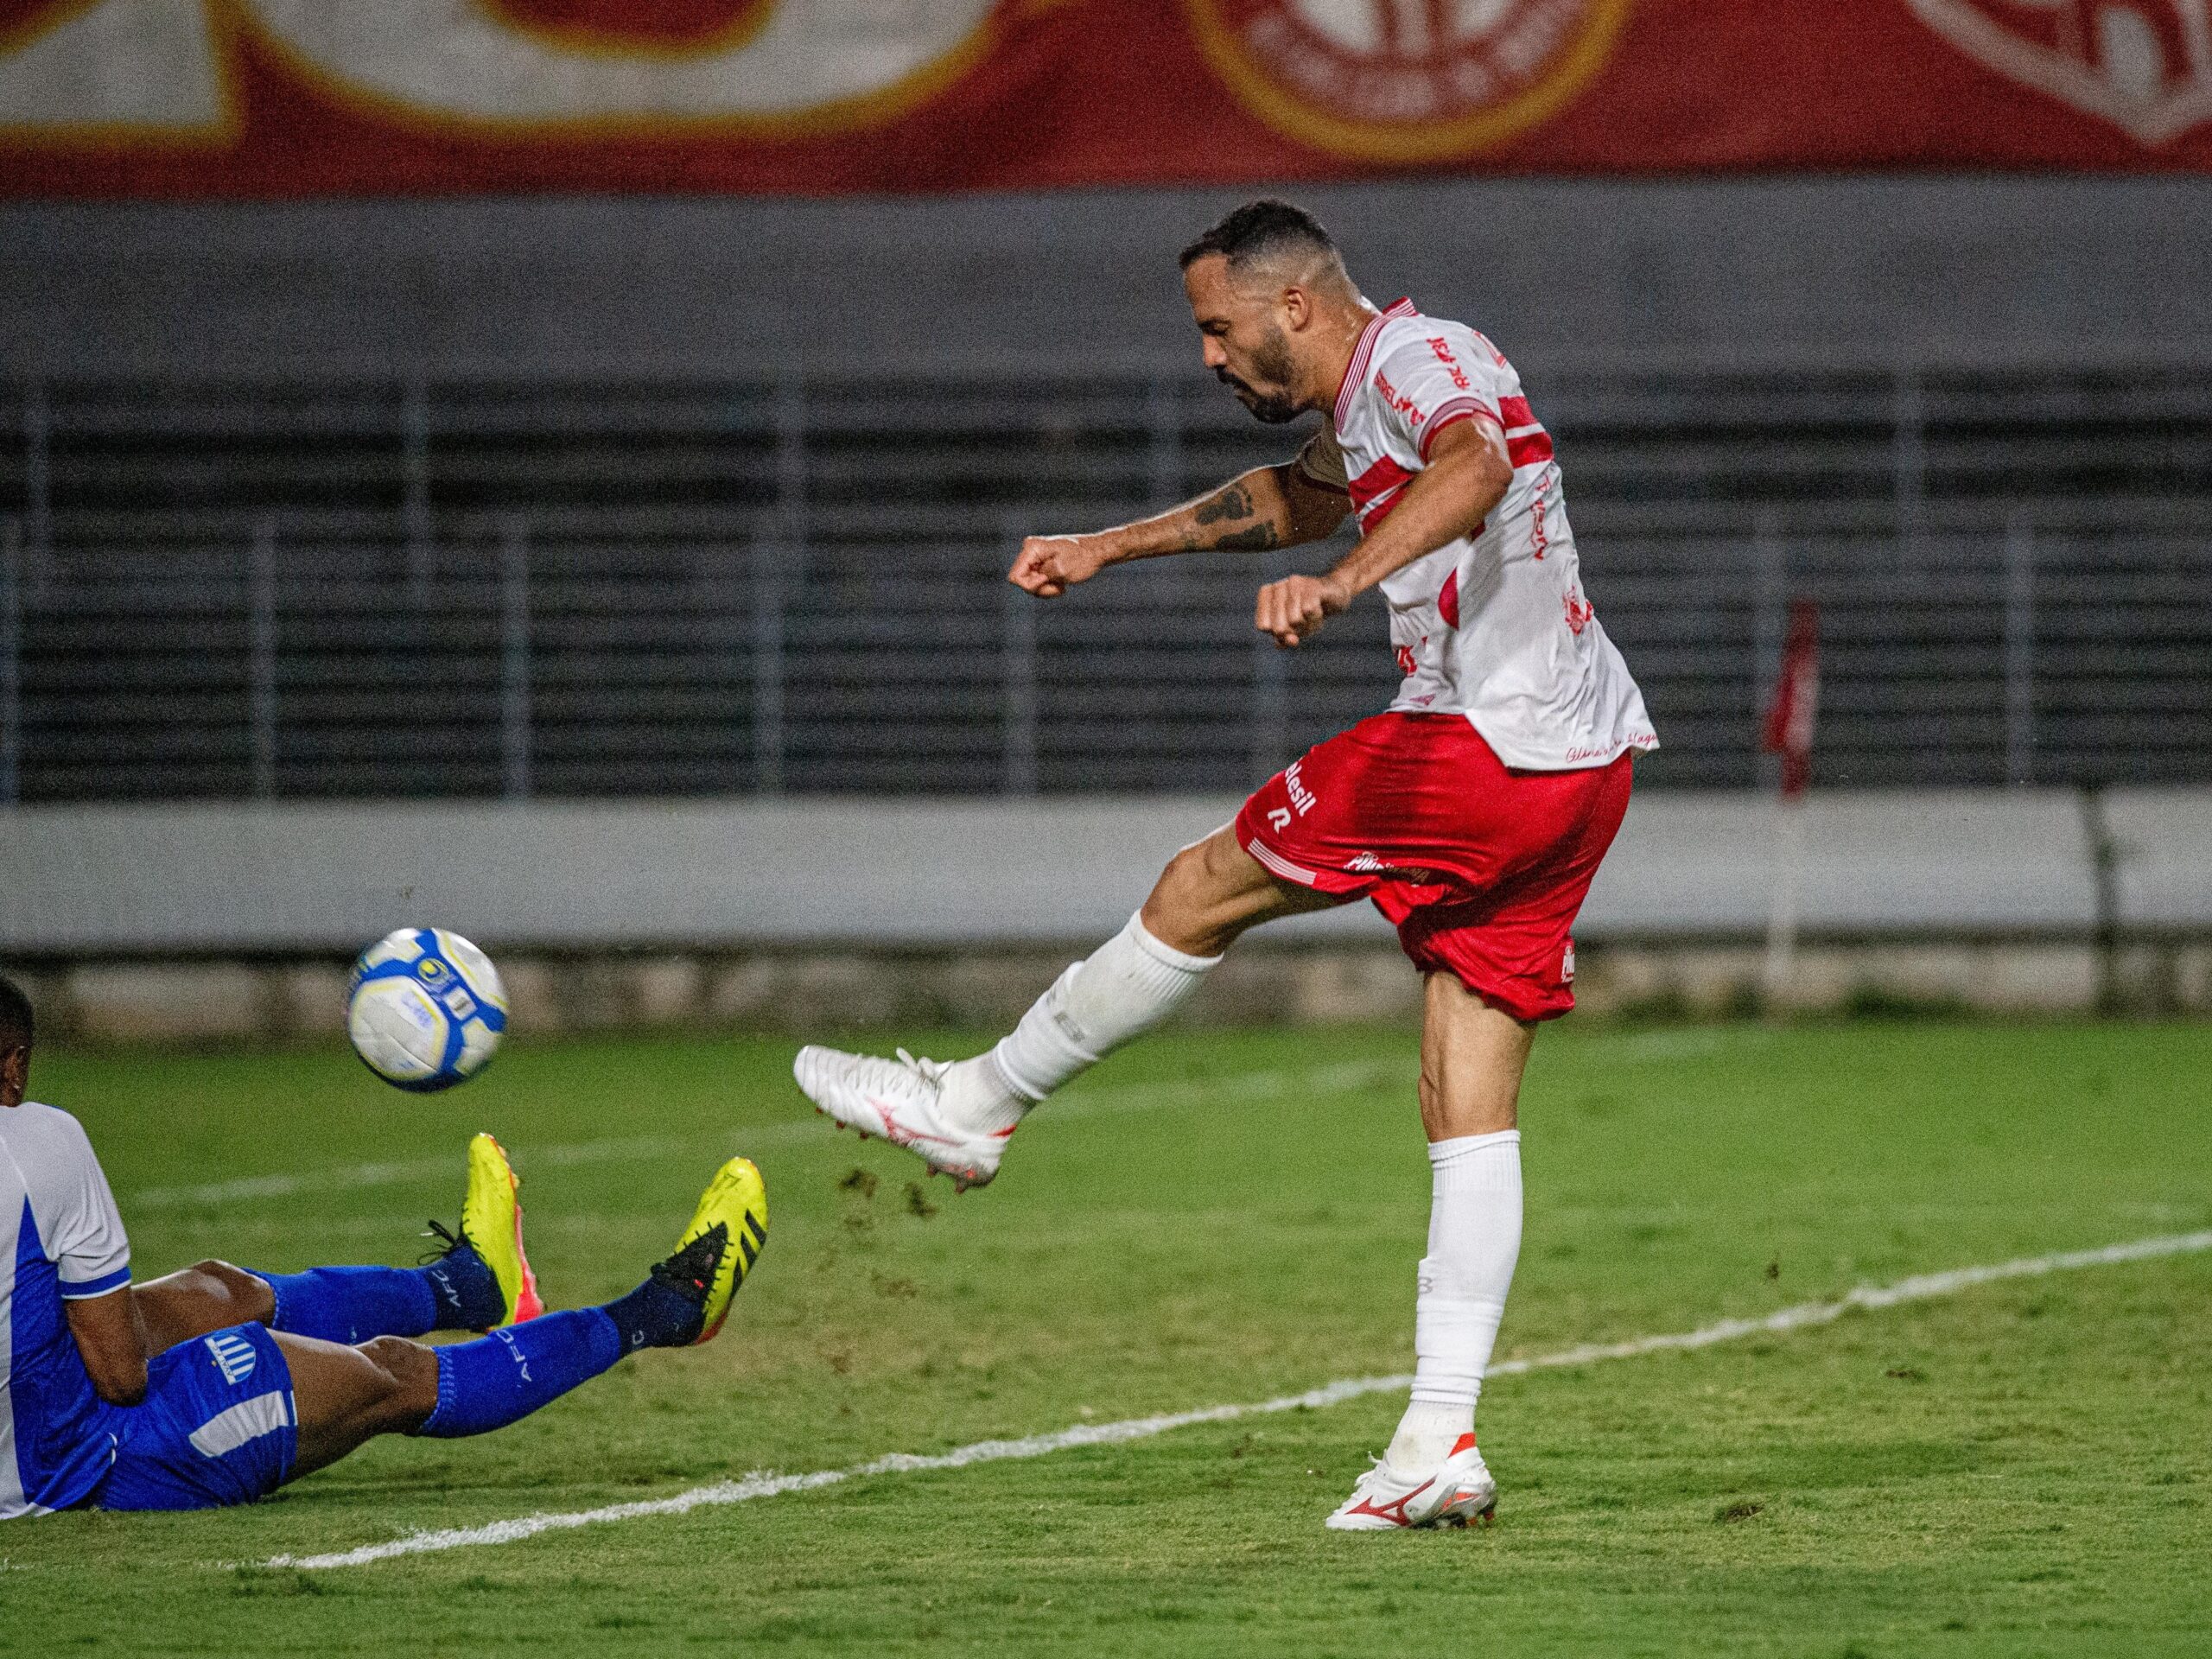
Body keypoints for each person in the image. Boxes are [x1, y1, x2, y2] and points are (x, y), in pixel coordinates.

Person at [794, 199, 1656, 1531]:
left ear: (1292, 306)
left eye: (1216, 325)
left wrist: (1350, 582)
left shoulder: (1423, 365)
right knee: (1466, 1087)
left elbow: (1474, 469)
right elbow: (1290, 498)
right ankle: (1441, 1440)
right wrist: (1107, 547)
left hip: (1485, 744)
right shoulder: (1378, 389)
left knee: (1207, 883)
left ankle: (979, 1104)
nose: (1205, 354)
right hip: (1582, 762)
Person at [0, 973, 767, 1517]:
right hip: (85, 1464)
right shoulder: (41, 1143)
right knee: (392, 1374)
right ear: (14, 1067)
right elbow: (123, 1377)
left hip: (29, 1422)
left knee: (217, 1290)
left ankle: (469, 1288)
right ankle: (665, 1312)